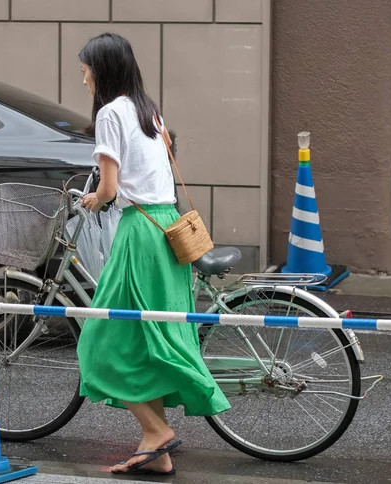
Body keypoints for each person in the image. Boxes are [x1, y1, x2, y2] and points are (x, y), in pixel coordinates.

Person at [76, 32, 231, 477]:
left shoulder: (109, 113)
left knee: (99, 342)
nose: (83, 77)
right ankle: (156, 450)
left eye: (86, 69)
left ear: (101, 70)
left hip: (139, 235)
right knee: (153, 339)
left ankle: (156, 432)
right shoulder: (149, 112)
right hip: (168, 229)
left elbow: (108, 188)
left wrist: (92, 201)